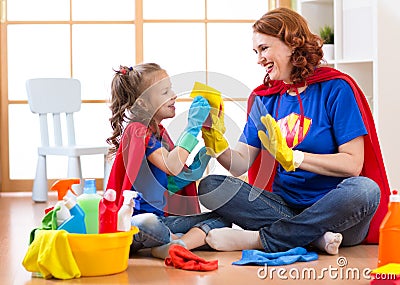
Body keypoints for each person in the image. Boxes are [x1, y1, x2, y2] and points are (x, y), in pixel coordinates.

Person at [197, 7, 388, 255]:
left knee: (365, 190)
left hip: (337, 214)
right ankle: (313, 237)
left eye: (264, 48)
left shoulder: (336, 88)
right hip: (282, 207)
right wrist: (214, 139)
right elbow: (239, 164)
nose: (258, 59)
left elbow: (352, 164)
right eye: (256, 51)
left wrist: (294, 157)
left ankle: (259, 240)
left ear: (292, 44)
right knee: (211, 186)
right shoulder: (263, 99)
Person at [106, 63, 230, 259]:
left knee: (224, 217)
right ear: (143, 104)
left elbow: (171, 179)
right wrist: (192, 127)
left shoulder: (159, 133)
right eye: (164, 92)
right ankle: (179, 239)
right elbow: (172, 166)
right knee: (147, 222)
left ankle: (177, 244)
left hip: (163, 220)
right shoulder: (138, 130)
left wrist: (201, 161)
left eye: (171, 88)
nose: (173, 95)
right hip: (135, 222)